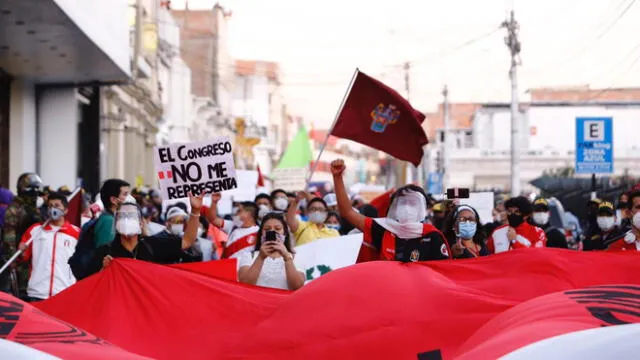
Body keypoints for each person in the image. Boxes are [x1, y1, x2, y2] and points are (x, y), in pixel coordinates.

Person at [331, 159, 451, 262]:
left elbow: (442, 271)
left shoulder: (432, 235)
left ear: (421, 209)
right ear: (394, 207)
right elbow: (347, 212)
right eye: (402, 202)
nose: (407, 207)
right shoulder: (382, 229)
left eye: (412, 203)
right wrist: (337, 177)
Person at [95, 192, 203, 271]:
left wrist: (195, 211)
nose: (126, 220)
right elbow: (90, 286)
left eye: (132, 215)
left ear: (141, 223)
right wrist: (103, 271)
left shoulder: (153, 245)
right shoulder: (104, 252)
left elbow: (187, 241)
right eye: (122, 216)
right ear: (115, 223)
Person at [18, 192, 80, 301]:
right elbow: (23, 258)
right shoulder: (35, 231)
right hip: (37, 293)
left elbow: (81, 263)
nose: (52, 209)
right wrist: (21, 251)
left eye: (56, 206)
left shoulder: (76, 233)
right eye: (50, 206)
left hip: (64, 292)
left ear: (65, 210)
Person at [1, 173, 45, 297]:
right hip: (20, 259)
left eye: (37, 189)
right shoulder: (15, 209)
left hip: (34, 256)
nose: (36, 192)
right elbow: (9, 237)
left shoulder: (34, 209)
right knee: (21, 292)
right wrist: (13, 259)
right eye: (33, 188)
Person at [238, 213, 305, 290]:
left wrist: (287, 258)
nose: (273, 232)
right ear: (261, 234)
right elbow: (245, 284)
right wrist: (260, 258)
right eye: (267, 229)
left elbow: (298, 286)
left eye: (278, 229)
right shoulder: (249, 256)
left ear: (285, 233)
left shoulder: (296, 257)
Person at [207, 193, 259, 259]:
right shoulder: (232, 226)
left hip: (246, 268)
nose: (235, 213)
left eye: (239, 211)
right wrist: (214, 202)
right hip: (228, 266)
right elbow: (212, 219)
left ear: (249, 214)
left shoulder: (259, 232)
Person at [94, 179, 131, 248]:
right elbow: (105, 252)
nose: (129, 198)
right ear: (113, 200)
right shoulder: (109, 221)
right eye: (125, 194)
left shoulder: (111, 218)